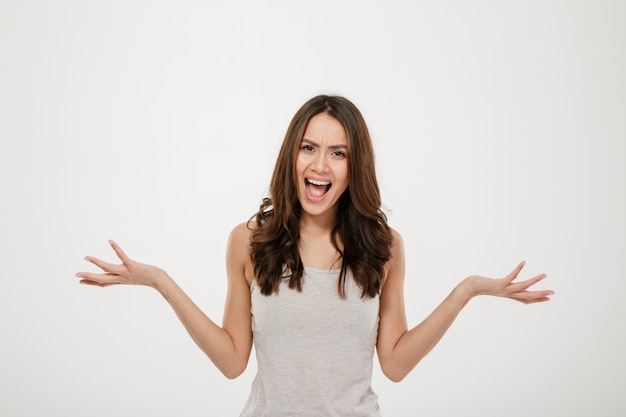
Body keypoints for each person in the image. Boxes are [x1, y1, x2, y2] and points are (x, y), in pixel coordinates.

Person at [76, 94, 553, 416]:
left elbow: (396, 365)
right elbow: (232, 361)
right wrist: (161, 282)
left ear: (353, 166)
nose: (320, 165)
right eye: (309, 148)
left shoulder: (384, 248)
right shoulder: (249, 241)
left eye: (338, 153)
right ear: (292, 156)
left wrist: (465, 291)